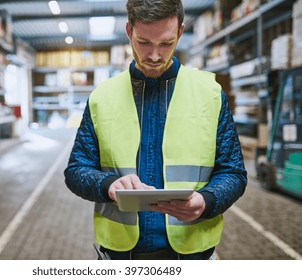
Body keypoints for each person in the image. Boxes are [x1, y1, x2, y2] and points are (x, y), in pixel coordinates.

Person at [64, 0, 247, 260]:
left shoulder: (210, 94)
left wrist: (207, 201)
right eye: (144, 42)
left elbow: (234, 172)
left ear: (180, 33)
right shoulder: (101, 97)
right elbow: (76, 170)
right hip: (120, 256)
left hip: (192, 255)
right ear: (129, 31)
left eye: (165, 43)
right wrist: (107, 184)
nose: (154, 55)